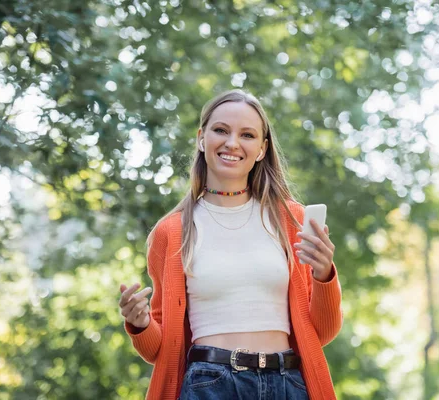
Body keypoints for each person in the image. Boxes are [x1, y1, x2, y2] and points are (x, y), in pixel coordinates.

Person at [118, 89, 343, 400]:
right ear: (201, 138)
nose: (232, 143)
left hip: (286, 384)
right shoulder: (171, 232)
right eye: (221, 130)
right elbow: (162, 350)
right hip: (210, 384)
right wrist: (140, 323)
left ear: (262, 149)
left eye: (247, 134)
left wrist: (324, 276)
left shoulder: (292, 220)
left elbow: (323, 332)